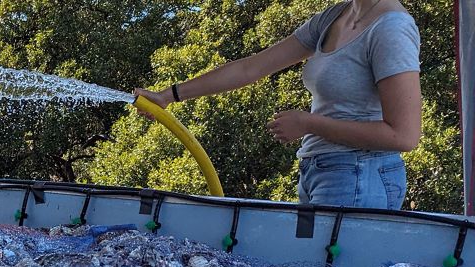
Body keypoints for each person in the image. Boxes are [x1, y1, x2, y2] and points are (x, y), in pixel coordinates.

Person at [134, 0, 421, 210]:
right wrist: (168, 96)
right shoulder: (335, 16)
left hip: (361, 175)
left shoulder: (391, 29)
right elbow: (251, 68)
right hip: (319, 170)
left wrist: (309, 123)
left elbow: (404, 136)